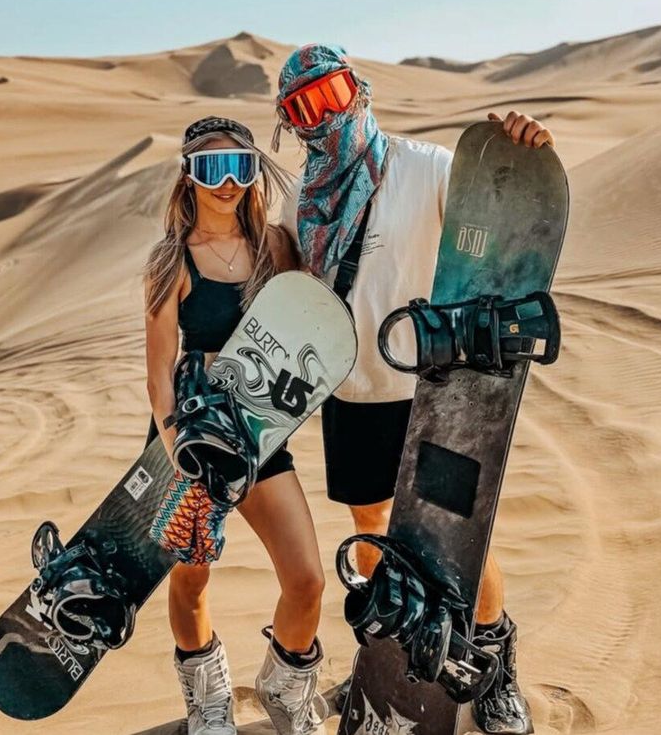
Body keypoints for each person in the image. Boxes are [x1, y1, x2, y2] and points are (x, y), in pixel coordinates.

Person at [272, 45, 555, 735]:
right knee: (372, 533)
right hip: (350, 392)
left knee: (459, 543)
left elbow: (498, 193)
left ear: (359, 88)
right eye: (303, 107)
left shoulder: (421, 167)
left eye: (332, 91)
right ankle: (389, 660)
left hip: (433, 394)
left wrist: (524, 146)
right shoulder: (300, 195)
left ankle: (494, 665)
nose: (326, 113)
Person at [144, 116, 328, 735]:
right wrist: (178, 455)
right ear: (188, 177)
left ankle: (284, 686)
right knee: (192, 579)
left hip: (257, 437)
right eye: (210, 169)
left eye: (240, 168)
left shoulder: (276, 247)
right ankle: (208, 698)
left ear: (254, 175)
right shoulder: (169, 261)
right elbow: (159, 372)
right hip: (190, 440)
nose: (226, 183)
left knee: (306, 579)